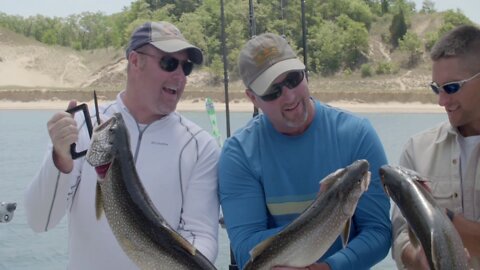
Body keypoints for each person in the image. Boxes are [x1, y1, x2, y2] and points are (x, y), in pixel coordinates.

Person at [24, 21, 220, 269]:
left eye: (186, 67)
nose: (180, 75)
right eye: (169, 63)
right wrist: (60, 160)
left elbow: (201, 234)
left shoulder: (201, 146)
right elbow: (39, 221)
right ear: (136, 61)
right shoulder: (84, 128)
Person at [218, 33, 392, 270]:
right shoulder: (238, 154)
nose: (289, 96)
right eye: (272, 91)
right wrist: (324, 216)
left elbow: (378, 232)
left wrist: (331, 266)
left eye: (293, 79)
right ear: (252, 98)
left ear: (304, 72)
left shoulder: (357, 135)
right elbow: (246, 248)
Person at [391, 24, 480, 270]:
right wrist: (416, 258)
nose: (441, 101)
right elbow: (400, 236)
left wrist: (439, 218)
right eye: (436, 88)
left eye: (452, 88)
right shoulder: (415, 150)